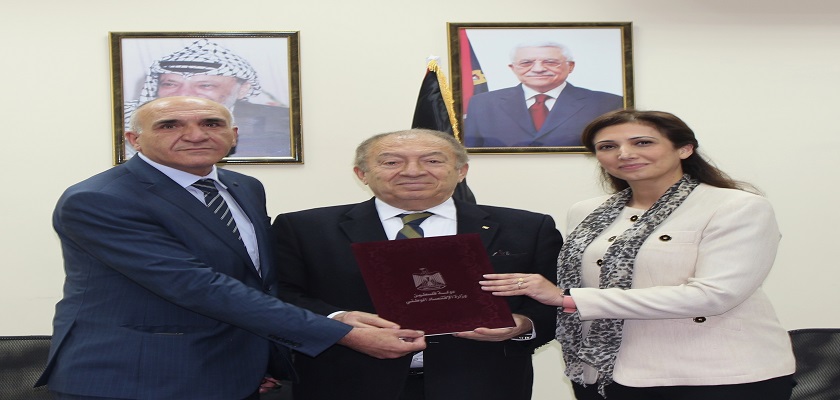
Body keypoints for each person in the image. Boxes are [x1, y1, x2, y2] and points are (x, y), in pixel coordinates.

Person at [37, 96, 425, 400]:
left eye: (211, 123)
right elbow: (196, 285)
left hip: (231, 372)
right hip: (136, 378)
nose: (195, 135)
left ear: (234, 135)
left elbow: (254, 280)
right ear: (134, 139)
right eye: (170, 125)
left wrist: (265, 357)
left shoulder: (243, 187)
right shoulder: (101, 199)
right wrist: (338, 332)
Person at [480, 109, 796, 399]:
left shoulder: (736, 207)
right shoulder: (586, 211)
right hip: (601, 372)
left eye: (642, 142)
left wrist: (568, 299)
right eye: (607, 146)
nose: (624, 153)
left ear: (684, 149)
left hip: (714, 375)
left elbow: (714, 296)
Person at [271, 128, 564, 400]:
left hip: (484, 383)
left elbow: (557, 300)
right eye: (391, 162)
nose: (413, 171)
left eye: (433, 160)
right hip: (347, 383)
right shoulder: (304, 228)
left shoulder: (527, 227)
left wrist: (524, 324)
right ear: (362, 174)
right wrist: (339, 321)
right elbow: (280, 295)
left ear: (461, 171)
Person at [124, 39, 291, 158]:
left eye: (205, 86)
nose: (184, 94)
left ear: (243, 89)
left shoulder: (281, 120)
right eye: (170, 84)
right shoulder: (130, 117)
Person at [463, 42, 623, 148]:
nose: (538, 69)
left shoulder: (607, 103)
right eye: (526, 63)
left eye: (550, 62)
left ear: (571, 66)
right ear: (513, 68)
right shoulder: (482, 103)